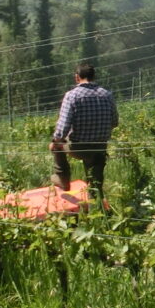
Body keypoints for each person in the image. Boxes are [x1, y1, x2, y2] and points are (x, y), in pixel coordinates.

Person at [50, 61, 118, 205]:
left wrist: (55, 141)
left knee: (57, 145)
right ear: (94, 76)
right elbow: (114, 122)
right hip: (99, 147)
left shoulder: (72, 96)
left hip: (78, 147)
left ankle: (62, 178)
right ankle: (97, 206)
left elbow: (63, 127)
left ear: (77, 77)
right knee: (95, 181)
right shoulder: (107, 95)